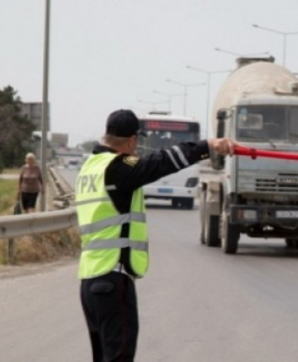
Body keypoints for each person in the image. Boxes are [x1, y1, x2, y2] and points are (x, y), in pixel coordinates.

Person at [75, 109, 236, 362]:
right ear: (131, 140)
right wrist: (208, 145)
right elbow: (162, 161)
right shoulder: (117, 168)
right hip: (112, 278)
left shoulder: (89, 168)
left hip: (89, 282)